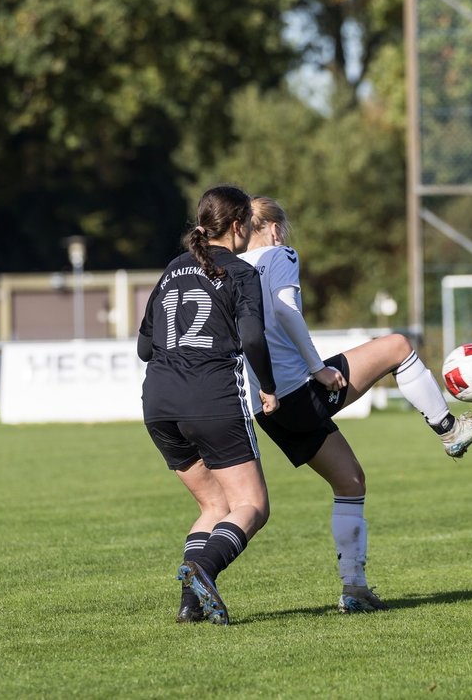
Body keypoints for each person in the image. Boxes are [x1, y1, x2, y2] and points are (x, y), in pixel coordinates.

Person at [240, 196, 472, 614]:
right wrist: (316, 367)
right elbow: (287, 312)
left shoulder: (233, 269)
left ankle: (354, 590)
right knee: (397, 346)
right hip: (297, 390)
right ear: (273, 228)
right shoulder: (279, 254)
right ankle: (450, 430)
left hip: (265, 405)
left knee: (351, 482)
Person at [138, 185, 280, 626]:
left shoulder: (172, 270)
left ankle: (190, 604)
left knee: (214, 508)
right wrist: (269, 387)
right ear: (238, 226)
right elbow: (254, 338)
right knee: (252, 505)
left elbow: (145, 346)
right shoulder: (240, 272)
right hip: (211, 397)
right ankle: (206, 568)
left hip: (158, 402)